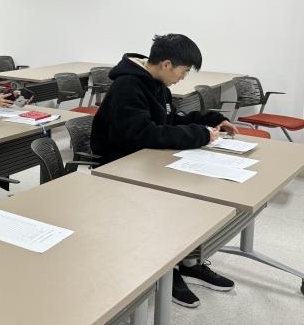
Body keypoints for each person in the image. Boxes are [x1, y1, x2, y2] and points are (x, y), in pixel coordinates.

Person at [90, 33, 239, 309]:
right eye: (184, 71)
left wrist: (212, 120)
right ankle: (166, 271)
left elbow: (171, 120)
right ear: (167, 64)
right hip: (120, 165)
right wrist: (200, 135)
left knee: (196, 195)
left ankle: (189, 262)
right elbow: (140, 134)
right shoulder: (127, 86)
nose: (183, 77)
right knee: (172, 202)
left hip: (148, 160)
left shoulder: (159, 85)